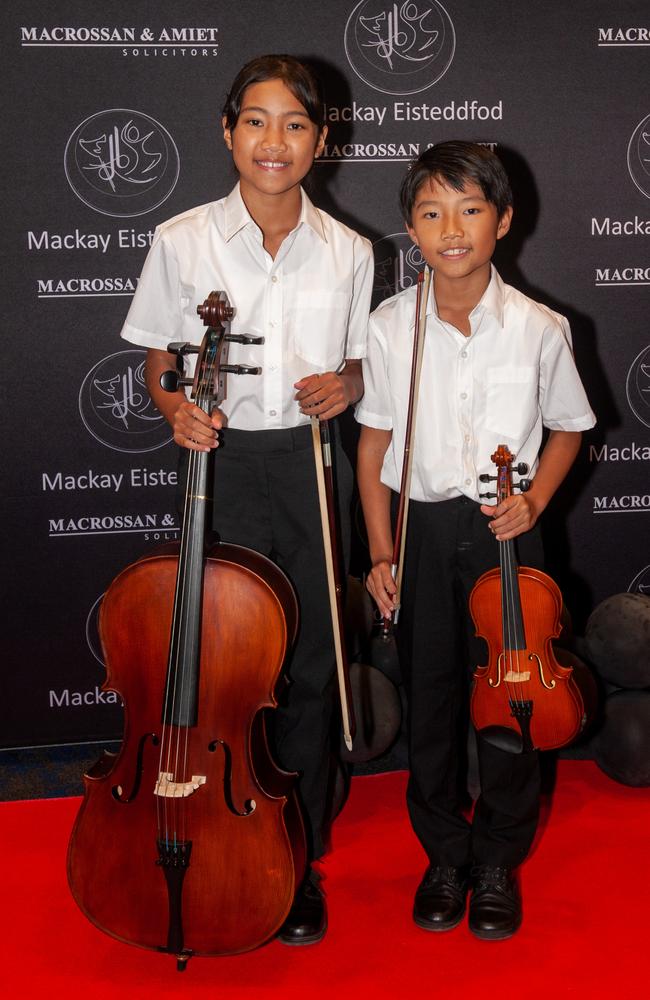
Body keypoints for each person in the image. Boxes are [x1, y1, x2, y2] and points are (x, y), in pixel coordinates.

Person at [120, 54, 374, 945]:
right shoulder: (180, 239)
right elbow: (157, 356)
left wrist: (346, 384)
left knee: (305, 662)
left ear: (321, 140)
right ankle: (203, 823)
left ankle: (295, 855)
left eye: (296, 124)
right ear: (229, 131)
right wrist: (174, 405)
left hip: (306, 467)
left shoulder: (352, 251)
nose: (276, 141)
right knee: (217, 664)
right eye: (257, 121)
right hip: (215, 467)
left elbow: (356, 363)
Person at [356, 141, 595, 940]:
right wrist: (382, 553)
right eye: (431, 212)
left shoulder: (539, 327)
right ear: (410, 230)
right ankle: (444, 854)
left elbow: (568, 429)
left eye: (469, 209)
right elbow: (373, 449)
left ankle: (496, 856)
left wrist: (535, 502)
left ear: (503, 220)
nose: (450, 228)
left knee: (511, 705)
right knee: (429, 702)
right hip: (423, 532)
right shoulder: (390, 327)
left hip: (506, 539)